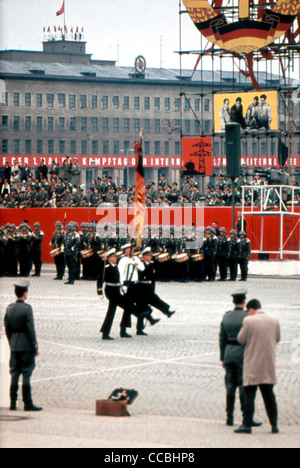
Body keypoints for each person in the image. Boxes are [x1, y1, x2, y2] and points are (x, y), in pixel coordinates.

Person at [235, 299, 281, 434]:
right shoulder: (274, 319)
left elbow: (241, 339)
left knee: (249, 395)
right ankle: (274, 425)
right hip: (268, 364)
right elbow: (277, 338)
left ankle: (247, 425)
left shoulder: (249, 321)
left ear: (250, 310)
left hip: (253, 363)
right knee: (269, 396)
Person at [4, 280, 42, 412]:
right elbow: (30, 329)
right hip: (26, 345)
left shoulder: (9, 308)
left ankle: (12, 402)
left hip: (14, 344)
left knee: (14, 373)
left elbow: (7, 329)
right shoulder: (27, 309)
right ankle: (27, 402)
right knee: (26, 373)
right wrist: (34, 346)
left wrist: (12, 342)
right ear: (25, 293)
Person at [98, 249, 145, 340]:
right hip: (110, 290)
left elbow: (119, 279)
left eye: (116, 257)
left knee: (111, 312)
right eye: (114, 257)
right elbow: (100, 280)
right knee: (125, 304)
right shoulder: (106, 267)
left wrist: (122, 287)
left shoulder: (115, 267)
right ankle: (139, 313)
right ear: (109, 258)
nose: (116, 258)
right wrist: (100, 292)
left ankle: (105, 332)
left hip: (116, 289)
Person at [220, 290, 248, 426]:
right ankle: (245, 416)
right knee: (243, 387)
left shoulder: (227, 316)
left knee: (230, 387)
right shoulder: (247, 317)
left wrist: (222, 357)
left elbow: (222, 338)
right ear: (244, 301)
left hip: (228, 353)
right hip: (242, 353)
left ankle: (229, 416)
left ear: (233, 302)